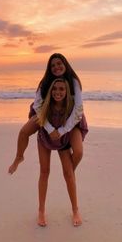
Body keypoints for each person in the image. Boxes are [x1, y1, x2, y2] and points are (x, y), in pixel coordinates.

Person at [8, 53, 84, 174]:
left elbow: (78, 109)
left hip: (67, 115)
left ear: (65, 64)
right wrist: (49, 128)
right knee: (23, 132)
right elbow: (37, 105)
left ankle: (70, 170)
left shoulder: (73, 81)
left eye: (59, 63)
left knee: (78, 152)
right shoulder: (45, 82)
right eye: (52, 65)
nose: (56, 67)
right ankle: (19, 157)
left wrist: (63, 130)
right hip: (44, 114)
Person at [36, 78, 88, 227]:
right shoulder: (45, 105)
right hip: (45, 138)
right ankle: (41, 210)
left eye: (61, 89)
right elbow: (38, 118)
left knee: (68, 174)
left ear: (67, 92)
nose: (57, 92)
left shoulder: (71, 107)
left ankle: (75, 210)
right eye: (55, 88)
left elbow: (79, 119)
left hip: (63, 140)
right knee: (44, 172)